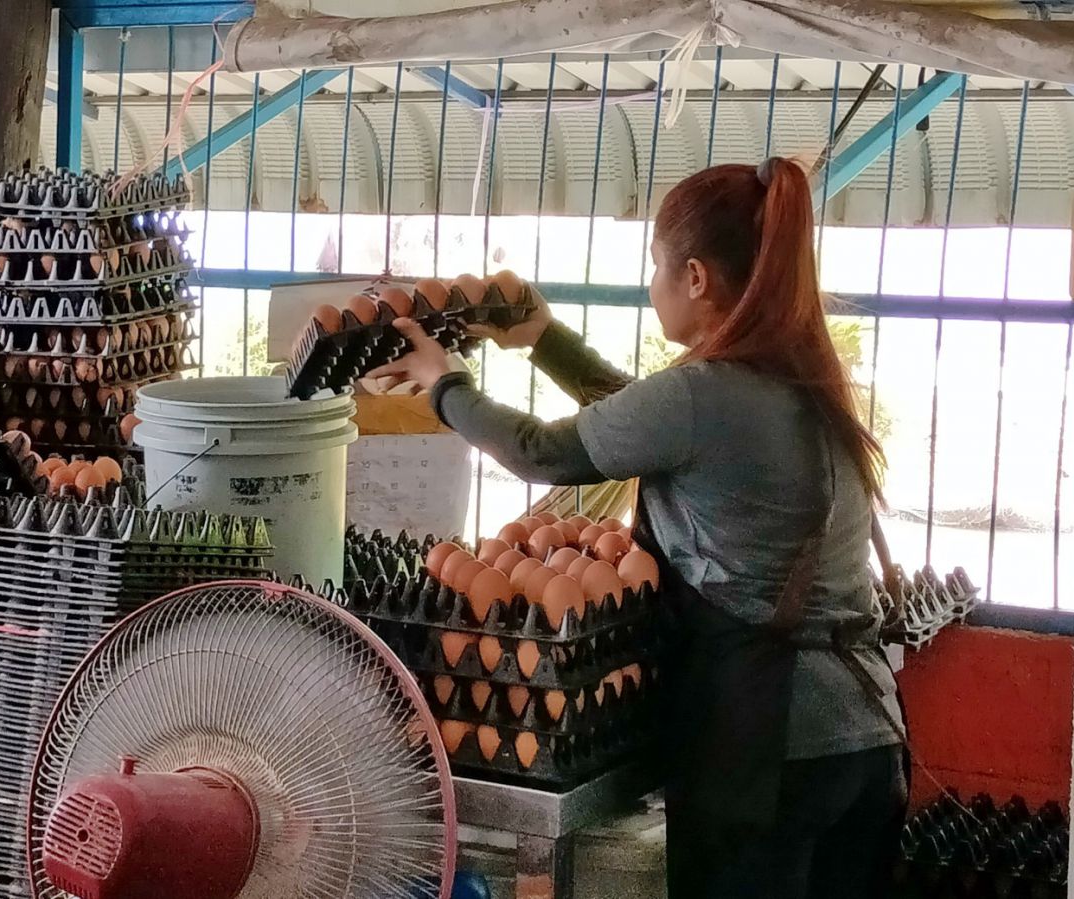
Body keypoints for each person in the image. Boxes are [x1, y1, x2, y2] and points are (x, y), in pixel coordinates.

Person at [372, 157, 908, 899]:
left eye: (657, 265)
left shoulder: (703, 395)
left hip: (768, 753)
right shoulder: (801, 377)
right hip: (866, 738)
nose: (652, 283)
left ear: (696, 278)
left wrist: (445, 385)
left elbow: (543, 451)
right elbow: (644, 419)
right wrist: (544, 339)